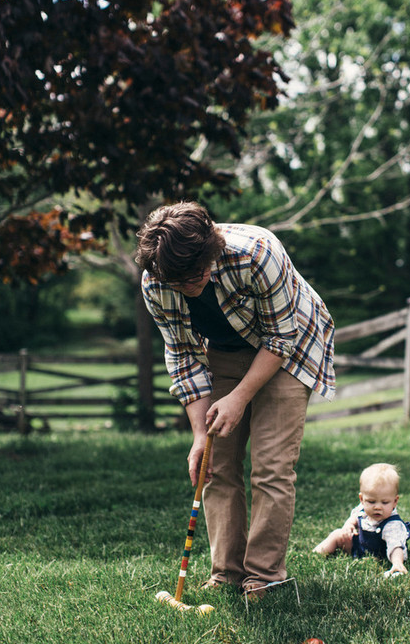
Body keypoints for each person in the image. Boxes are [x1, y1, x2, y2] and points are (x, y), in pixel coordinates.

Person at [135, 201, 335, 601]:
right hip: (224, 351)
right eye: (177, 282)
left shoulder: (258, 253)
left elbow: (281, 338)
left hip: (290, 347)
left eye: (193, 277)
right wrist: (198, 434)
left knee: (271, 466)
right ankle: (226, 572)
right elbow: (182, 355)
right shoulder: (158, 280)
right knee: (216, 463)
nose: (186, 287)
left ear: (211, 252)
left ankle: (263, 577)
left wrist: (240, 397)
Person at [313, 463, 410, 576]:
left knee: (395, 550)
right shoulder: (363, 509)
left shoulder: (393, 524)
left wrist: (397, 562)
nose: (377, 507)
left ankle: (397, 565)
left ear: (395, 501)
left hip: (380, 555)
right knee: (337, 534)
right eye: (371, 501)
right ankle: (316, 554)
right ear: (362, 499)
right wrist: (348, 526)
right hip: (358, 547)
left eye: (384, 502)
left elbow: (396, 546)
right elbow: (354, 517)